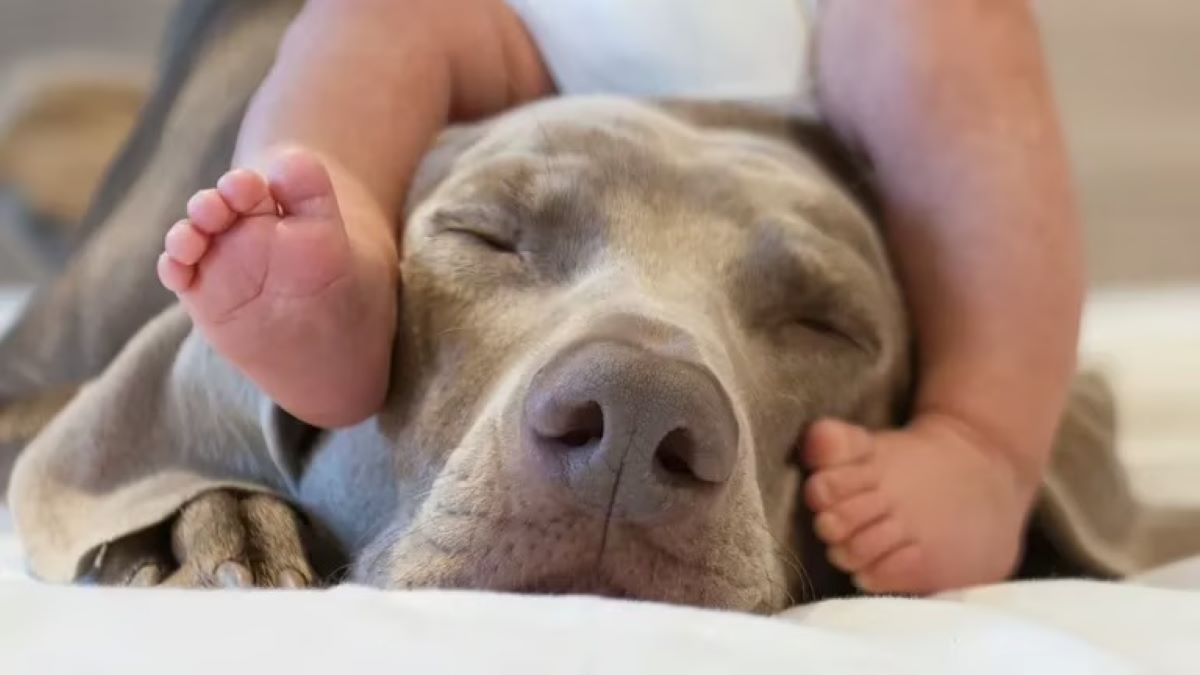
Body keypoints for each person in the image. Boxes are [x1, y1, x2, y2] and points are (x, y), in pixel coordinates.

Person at [155, 0, 1083, 595]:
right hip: (538, 37)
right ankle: (333, 253)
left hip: (817, 60)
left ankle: (982, 438)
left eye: (816, 321)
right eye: (488, 240)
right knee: (374, 20)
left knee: (950, 24)